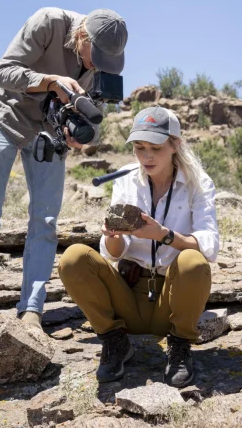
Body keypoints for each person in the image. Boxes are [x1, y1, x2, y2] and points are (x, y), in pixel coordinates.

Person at [0, 7, 128, 348]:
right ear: (82, 37)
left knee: (46, 219)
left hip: (47, 130)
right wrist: (50, 82)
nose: (99, 65)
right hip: (3, 113)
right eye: (98, 56)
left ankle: (31, 310)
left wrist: (75, 131)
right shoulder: (48, 22)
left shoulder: (101, 59)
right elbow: (3, 72)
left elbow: (91, 106)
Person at [58, 107, 219, 388]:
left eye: (155, 148)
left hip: (171, 302)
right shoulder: (124, 178)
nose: (146, 157)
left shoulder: (199, 183)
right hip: (128, 297)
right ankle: (115, 340)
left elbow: (210, 247)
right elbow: (113, 253)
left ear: (175, 145)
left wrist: (165, 235)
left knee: (192, 261)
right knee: (73, 258)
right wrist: (114, 237)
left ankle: (180, 346)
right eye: (139, 147)